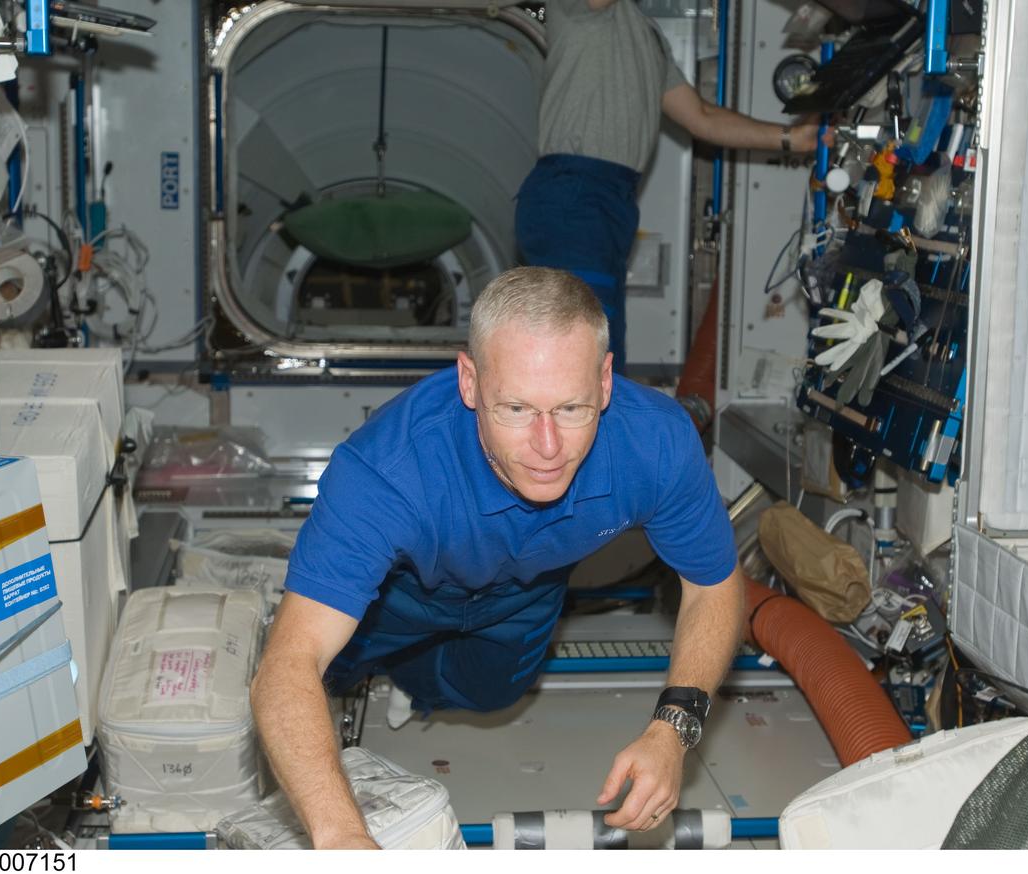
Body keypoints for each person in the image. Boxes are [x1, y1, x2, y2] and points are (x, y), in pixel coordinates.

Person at [252, 267, 745, 849]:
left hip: (526, 593)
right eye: (515, 408)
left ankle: (413, 677)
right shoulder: (385, 472)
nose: (547, 447)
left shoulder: (656, 443)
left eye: (571, 408)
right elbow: (286, 666)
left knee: (494, 694)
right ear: (469, 382)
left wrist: (674, 728)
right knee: (327, 668)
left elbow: (714, 585)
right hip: (398, 594)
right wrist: (341, 838)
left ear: (606, 381)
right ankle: (352, 642)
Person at [516, 0, 825, 372]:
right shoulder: (580, 8)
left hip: (609, 203)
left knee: (602, 355)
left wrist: (793, 139)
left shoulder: (645, 33)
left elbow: (702, 117)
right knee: (583, 356)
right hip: (572, 196)